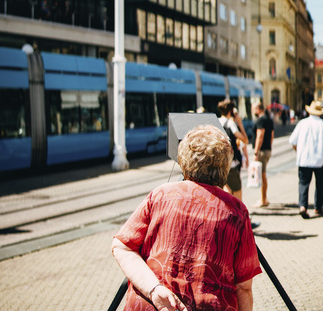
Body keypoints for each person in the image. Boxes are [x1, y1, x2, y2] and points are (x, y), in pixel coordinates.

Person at [112, 124, 262, 311]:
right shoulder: (237, 211)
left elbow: (122, 246)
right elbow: (244, 287)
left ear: (183, 159)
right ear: (225, 164)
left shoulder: (159, 195)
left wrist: (154, 289)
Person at [289, 101, 323, 219]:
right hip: (320, 159)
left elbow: (292, 141)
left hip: (304, 159)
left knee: (303, 183)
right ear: (320, 112)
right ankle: (318, 207)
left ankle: (303, 206)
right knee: (320, 184)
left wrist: (298, 151)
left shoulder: (302, 123)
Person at [218, 99, 249, 201]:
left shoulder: (216, 122)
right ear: (231, 111)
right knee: (237, 192)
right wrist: (240, 123)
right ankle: (239, 215)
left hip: (219, 164)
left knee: (225, 189)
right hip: (231, 163)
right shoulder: (230, 123)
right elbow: (245, 139)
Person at [251, 102, 274, 207]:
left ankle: (263, 199)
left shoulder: (260, 120)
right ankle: (263, 198)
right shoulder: (269, 119)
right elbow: (272, 136)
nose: (252, 111)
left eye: (253, 109)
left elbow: (260, 136)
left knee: (262, 175)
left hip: (262, 151)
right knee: (262, 174)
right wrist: (269, 146)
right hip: (267, 149)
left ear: (258, 109)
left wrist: (256, 152)